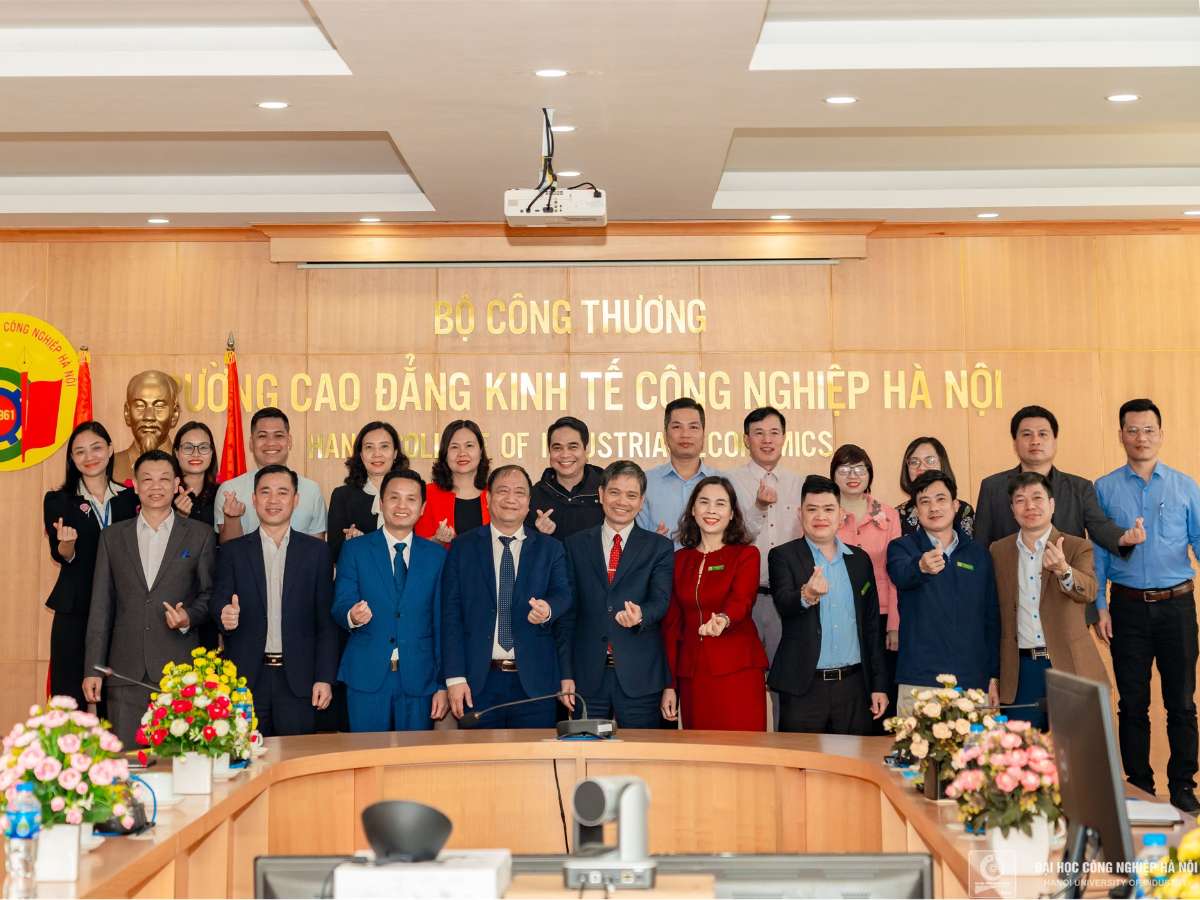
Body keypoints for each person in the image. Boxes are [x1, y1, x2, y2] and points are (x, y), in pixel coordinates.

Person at [1093, 399, 1200, 812]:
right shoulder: (1105, 488)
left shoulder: (1185, 485)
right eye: (1133, 430)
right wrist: (1100, 607)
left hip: (1177, 606)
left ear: (1161, 433)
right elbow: (1102, 552)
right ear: (1121, 435)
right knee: (1132, 703)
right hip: (1127, 608)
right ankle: (1138, 786)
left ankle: (1183, 786)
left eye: (1149, 430)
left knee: (1182, 702)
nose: (1141, 437)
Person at [83, 450, 216, 748]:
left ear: (176, 485)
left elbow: (210, 595)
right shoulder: (112, 537)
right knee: (126, 770)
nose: (156, 487)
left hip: (178, 673)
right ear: (137, 487)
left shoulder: (200, 535)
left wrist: (188, 617)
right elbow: (101, 607)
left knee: (177, 767)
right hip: (124, 672)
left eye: (164, 480)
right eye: (147, 480)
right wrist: (93, 668)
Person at [973, 406, 1141, 635]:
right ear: (1015, 442)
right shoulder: (993, 487)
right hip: (1014, 607)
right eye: (1026, 434)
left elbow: (1099, 527)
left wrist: (1123, 537)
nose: (1035, 441)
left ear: (1054, 440)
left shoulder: (1079, 487)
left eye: (1043, 434)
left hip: (1068, 602)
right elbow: (980, 547)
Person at [211, 465, 338, 737]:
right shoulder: (233, 551)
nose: (273, 500)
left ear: (296, 500)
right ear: (254, 499)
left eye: (283, 492)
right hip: (247, 680)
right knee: (246, 765)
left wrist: (325, 678)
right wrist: (224, 614)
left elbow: (326, 622)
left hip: (300, 681)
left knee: (296, 767)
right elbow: (219, 599)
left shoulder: (316, 552)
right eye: (265, 492)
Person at [441, 465, 572, 728]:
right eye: (502, 491)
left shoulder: (551, 549)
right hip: (478, 683)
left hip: (536, 684)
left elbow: (564, 595)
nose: (511, 498)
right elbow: (450, 616)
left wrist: (548, 609)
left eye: (520, 492)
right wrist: (455, 678)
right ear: (488, 499)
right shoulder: (462, 548)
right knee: (481, 764)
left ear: (528, 503)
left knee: (535, 766)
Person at [767, 475, 887, 734]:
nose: (820, 516)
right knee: (801, 769)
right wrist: (807, 595)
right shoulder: (782, 556)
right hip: (804, 688)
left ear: (841, 514)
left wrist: (879, 685)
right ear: (801, 514)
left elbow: (872, 627)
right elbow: (784, 603)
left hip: (854, 687)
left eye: (828, 509)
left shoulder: (860, 561)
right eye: (812, 509)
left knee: (853, 769)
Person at [333, 469, 449, 732]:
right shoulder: (355, 550)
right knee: (366, 758)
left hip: (420, 677)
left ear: (422, 508)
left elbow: (442, 624)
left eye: (411, 499)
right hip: (366, 675)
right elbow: (340, 602)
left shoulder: (436, 556)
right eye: (394, 498)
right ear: (381, 503)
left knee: (413, 764)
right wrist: (352, 615)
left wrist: (442, 684)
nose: (402, 506)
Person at [560, 461, 673, 728]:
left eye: (631, 495)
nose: (622, 501)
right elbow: (568, 614)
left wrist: (641, 614)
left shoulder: (659, 547)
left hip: (640, 674)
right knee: (586, 755)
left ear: (642, 501)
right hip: (586, 676)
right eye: (614, 492)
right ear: (600, 494)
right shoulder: (575, 545)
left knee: (641, 757)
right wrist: (566, 673)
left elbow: (661, 601)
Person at [990, 472, 1106, 731]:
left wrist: (1063, 570)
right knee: (1019, 758)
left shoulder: (1077, 547)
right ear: (1012, 509)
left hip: (1067, 665)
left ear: (1052, 505)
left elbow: (1089, 590)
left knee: (1075, 758)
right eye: (1020, 500)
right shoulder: (998, 551)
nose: (1029, 506)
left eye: (1037, 498)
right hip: (1020, 670)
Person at [42, 421, 139, 711]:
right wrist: (67, 546)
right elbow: (61, 555)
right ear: (72, 459)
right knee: (69, 699)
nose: (89, 456)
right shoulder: (59, 501)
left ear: (110, 450)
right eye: (79, 452)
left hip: (121, 610)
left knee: (118, 697)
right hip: (75, 608)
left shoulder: (130, 499)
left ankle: (117, 756)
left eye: (96, 447)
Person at [661, 476, 768, 730]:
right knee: (700, 757)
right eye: (704, 502)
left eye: (720, 504)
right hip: (692, 677)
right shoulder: (679, 560)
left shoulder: (746, 555)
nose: (711, 510)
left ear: (732, 513)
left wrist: (724, 619)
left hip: (737, 671)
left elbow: (742, 601)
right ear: (693, 510)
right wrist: (670, 684)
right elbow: (672, 626)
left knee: (744, 754)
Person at [886, 470, 999, 712]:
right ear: (916, 510)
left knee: (976, 751)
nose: (934, 508)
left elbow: (991, 619)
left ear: (955, 505)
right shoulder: (901, 548)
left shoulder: (979, 555)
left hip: (972, 682)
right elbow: (901, 574)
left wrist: (993, 676)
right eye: (924, 502)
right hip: (919, 682)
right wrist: (921, 566)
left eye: (941, 499)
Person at [727, 406, 802, 728]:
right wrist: (757, 507)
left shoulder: (800, 483)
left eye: (773, 433)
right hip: (746, 600)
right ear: (746, 439)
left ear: (784, 437)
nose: (766, 440)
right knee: (744, 684)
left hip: (790, 600)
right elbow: (732, 537)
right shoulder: (729, 482)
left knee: (788, 685)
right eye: (758, 433)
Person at [831, 444, 902, 728]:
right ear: (833, 474)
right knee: (853, 689)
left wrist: (894, 624)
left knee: (882, 691)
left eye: (859, 468)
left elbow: (895, 572)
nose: (852, 475)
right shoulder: (825, 512)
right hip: (840, 613)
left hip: (882, 613)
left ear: (869, 473)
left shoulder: (887, 515)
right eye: (845, 469)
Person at [214, 407, 327, 543]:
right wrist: (233, 519)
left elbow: (316, 552)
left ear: (289, 441)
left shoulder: (312, 490)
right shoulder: (230, 490)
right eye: (262, 436)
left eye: (278, 436)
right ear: (251, 443)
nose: (271, 443)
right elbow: (228, 552)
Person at [636, 398, 718, 544]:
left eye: (693, 427)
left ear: (703, 434)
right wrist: (651, 545)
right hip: (663, 566)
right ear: (666, 435)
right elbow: (639, 543)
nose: (685, 434)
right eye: (676, 427)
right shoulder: (646, 483)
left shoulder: (721, 482)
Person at [327, 421, 409, 564]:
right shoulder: (342, 496)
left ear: (395, 453)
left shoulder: (410, 494)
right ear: (361, 454)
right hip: (359, 581)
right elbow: (334, 553)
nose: (377, 454)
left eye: (384, 446)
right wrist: (352, 543)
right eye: (369, 447)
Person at [527, 416, 604, 541]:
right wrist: (539, 536)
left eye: (573, 447)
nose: (565, 454)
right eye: (557, 448)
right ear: (549, 452)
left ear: (585, 451)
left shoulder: (606, 491)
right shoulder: (534, 496)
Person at [415, 420, 490, 545]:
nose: (462, 453)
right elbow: (413, 548)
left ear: (481, 451)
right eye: (454, 447)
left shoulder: (495, 495)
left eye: (469, 445)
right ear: (445, 454)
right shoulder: (426, 494)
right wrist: (436, 540)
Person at [111, 370, 181, 485]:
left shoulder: (187, 466)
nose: (149, 417)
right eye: (139, 405)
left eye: (159, 406)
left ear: (174, 414)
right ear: (127, 413)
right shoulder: (110, 466)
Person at [895, 437, 975, 537]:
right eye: (914, 462)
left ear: (942, 464)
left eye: (930, 460)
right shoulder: (897, 515)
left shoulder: (962, 510)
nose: (921, 467)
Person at [172, 421, 219, 527]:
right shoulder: (163, 493)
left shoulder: (221, 493)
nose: (196, 454)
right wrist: (179, 517)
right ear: (176, 452)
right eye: (188, 447)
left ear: (212, 452)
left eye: (203, 447)